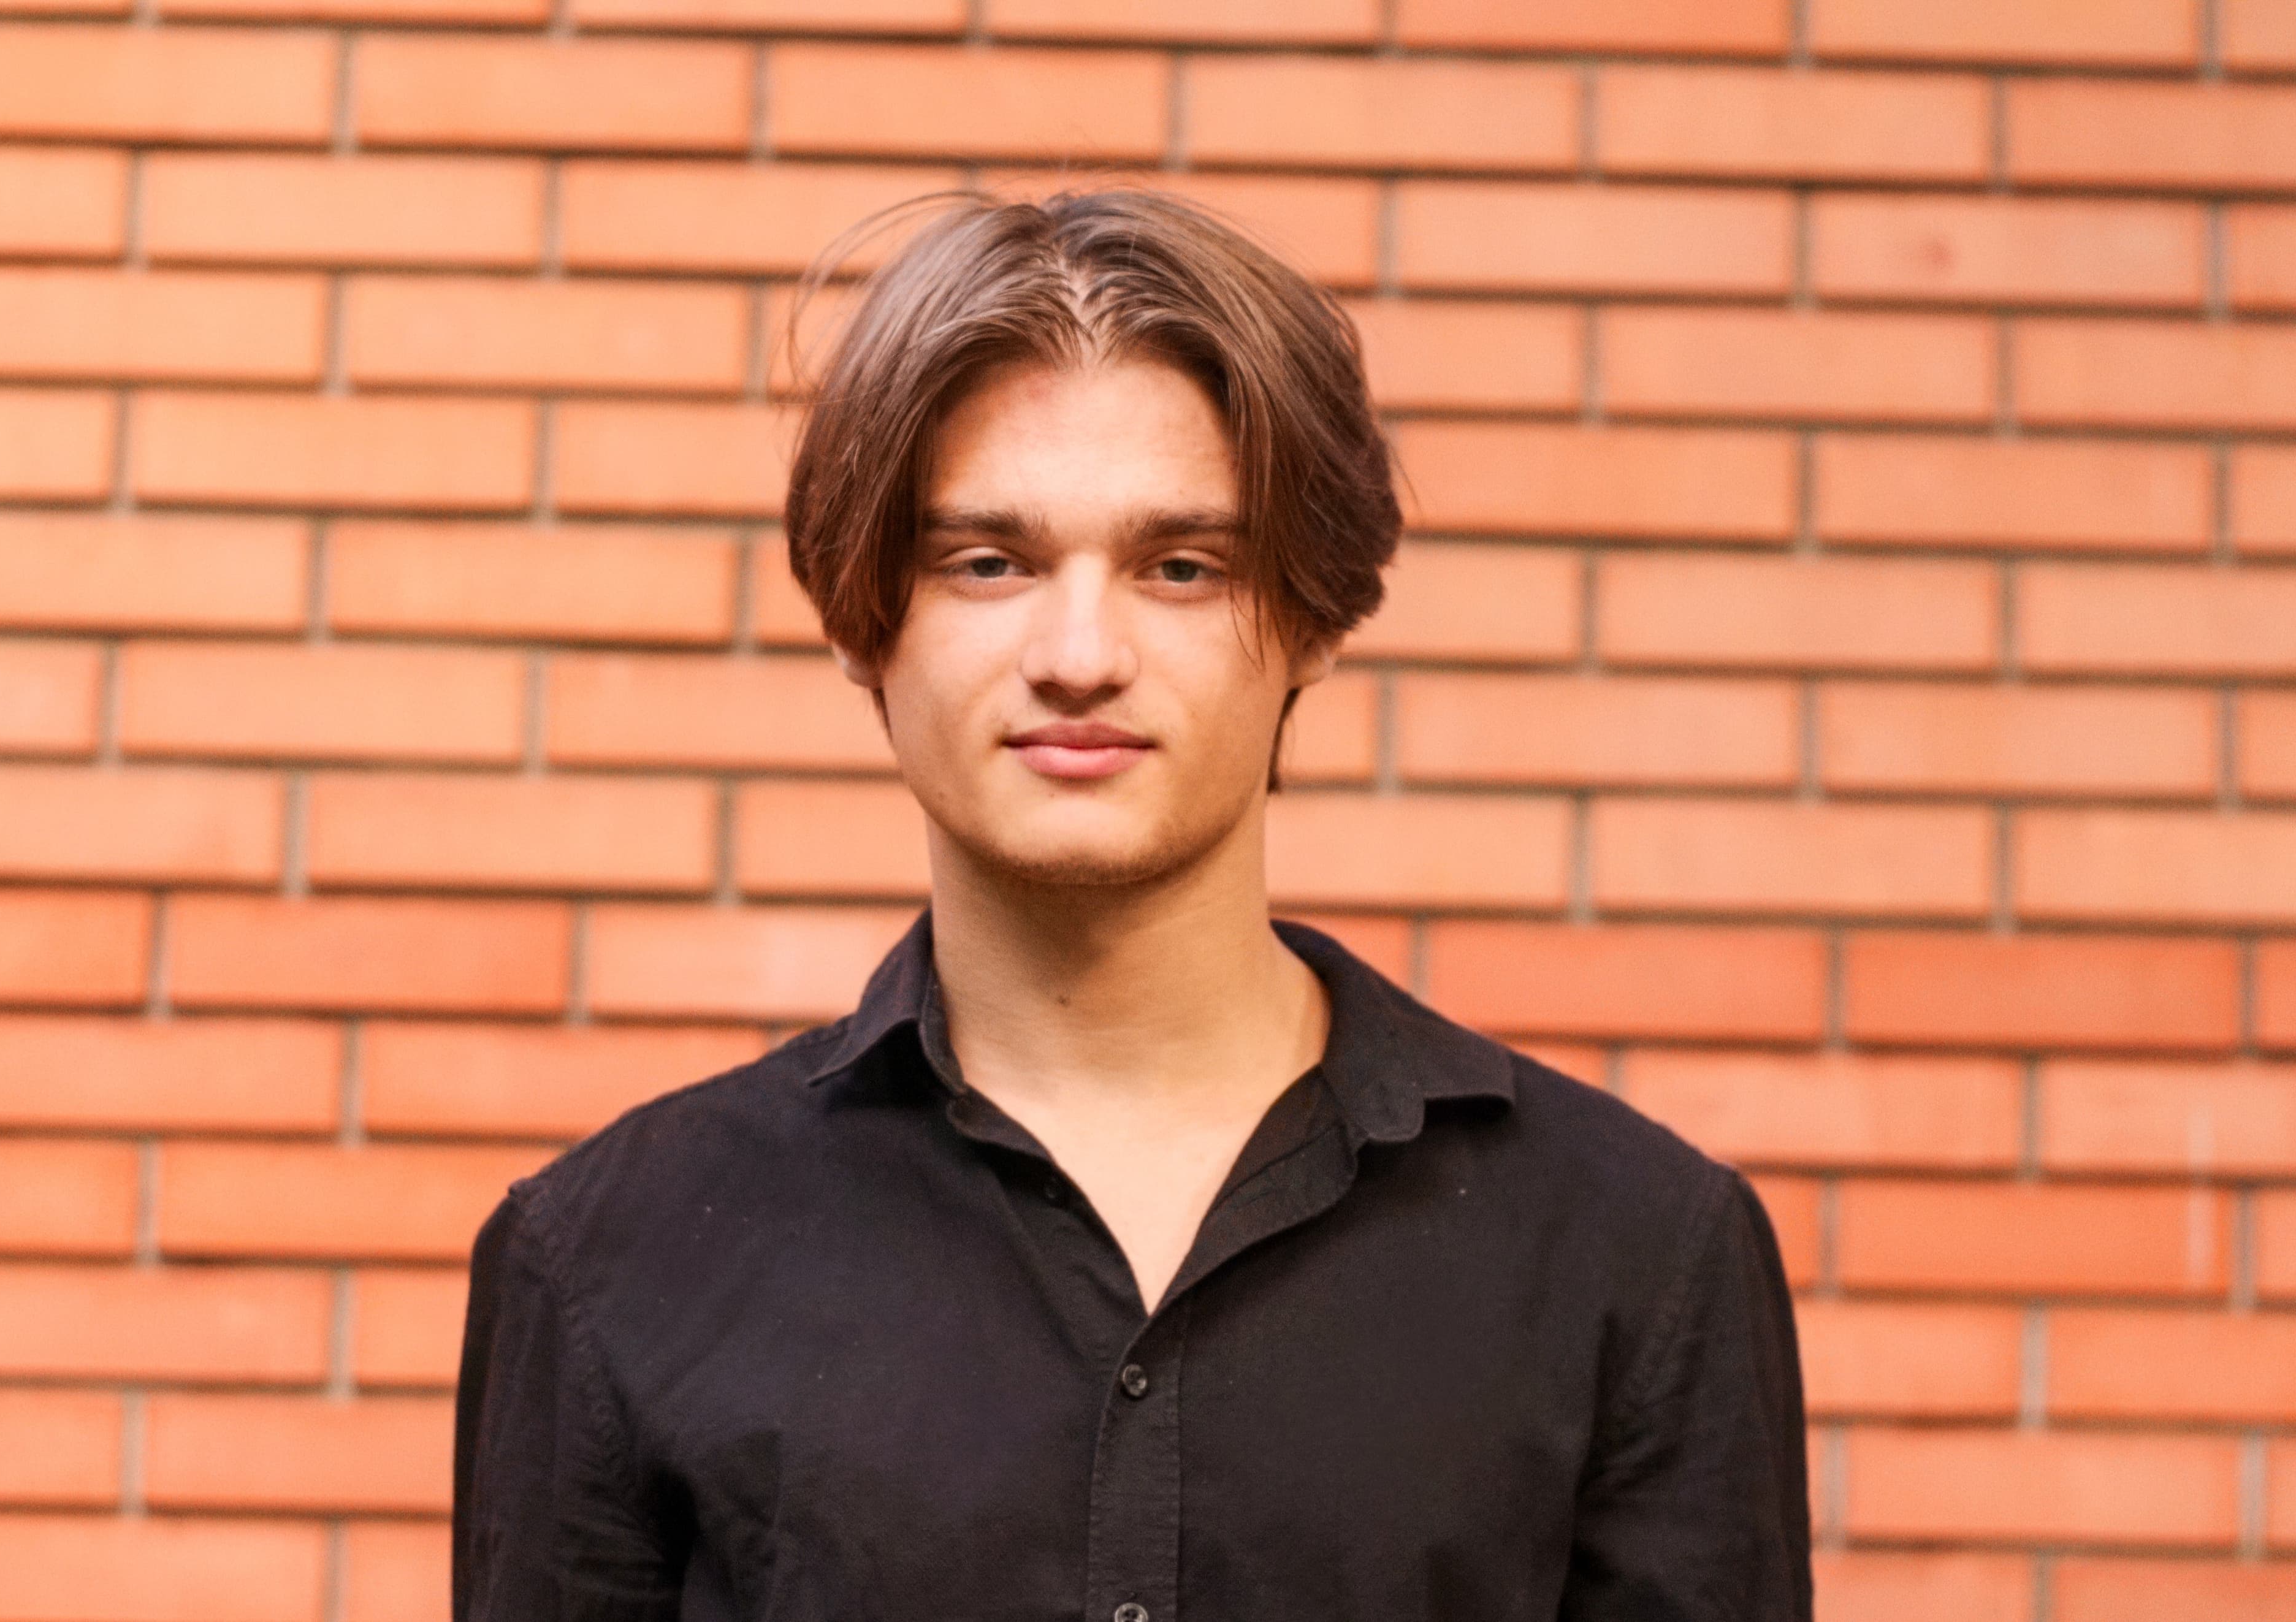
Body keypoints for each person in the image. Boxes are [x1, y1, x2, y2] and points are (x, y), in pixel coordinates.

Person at [451, 188, 1812, 1621]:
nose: (1081, 654)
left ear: (1314, 620)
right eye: (990, 563)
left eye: (1181, 568)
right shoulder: (609, 1258)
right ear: (864, 620)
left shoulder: (1638, 1255)